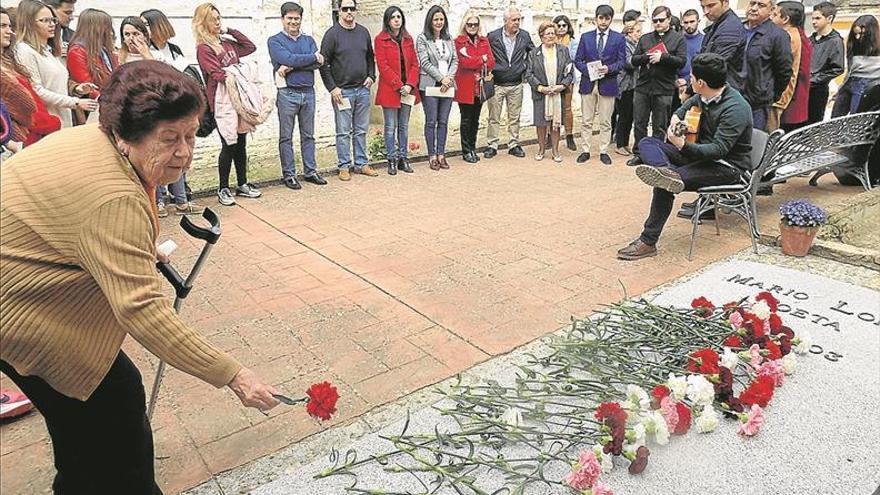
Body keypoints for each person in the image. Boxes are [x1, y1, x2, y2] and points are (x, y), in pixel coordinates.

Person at [0, 60, 280, 495]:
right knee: (110, 415)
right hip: (20, 311)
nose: (185, 152)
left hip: (31, 285)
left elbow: (78, 226)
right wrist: (234, 375)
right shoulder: (112, 196)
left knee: (92, 423)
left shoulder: (99, 142)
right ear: (127, 136)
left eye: (190, 135)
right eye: (169, 139)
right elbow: (143, 311)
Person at [618, 53, 752, 261]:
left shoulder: (735, 108)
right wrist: (676, 120)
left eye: (691, 77)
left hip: (725, 167)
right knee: (646, 143)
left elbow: (718, 150)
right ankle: (665, 170)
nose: (688, 80)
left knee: (665, 184)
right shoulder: (703, 95)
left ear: (701, 82)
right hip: (696, 154)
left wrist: (682, 144)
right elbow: (681, 110)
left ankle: (648, 241)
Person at [194, 2, 262, 206]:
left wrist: (229, 30)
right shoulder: (204, 49)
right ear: (203, 22)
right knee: (228, 144)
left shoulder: (227, 42)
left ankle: (242, 183)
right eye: (213, 19)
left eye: (218, 18)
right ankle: (223, 188)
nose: (217, 22)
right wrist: (238, 72)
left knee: (241, 143)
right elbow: (216, 73)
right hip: (222, 101)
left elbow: (250, 47)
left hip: (239, 99)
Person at [269, 2, 328, 187]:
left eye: (297, 19)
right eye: (290, 19)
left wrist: (292, 65)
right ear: (282, 19)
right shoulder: (274, 40)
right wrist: (310, 57)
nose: (293, 22)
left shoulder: (309, 39)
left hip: (308, 92)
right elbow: (287, 58)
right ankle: (289, 175)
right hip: (287, 93)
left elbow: (319, 63)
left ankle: (310, 171)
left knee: (308, 135)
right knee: (286, 137)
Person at [14, 0, 97, 128]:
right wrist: (76, 102)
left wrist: (77, 90)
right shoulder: (24, 50)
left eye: (53, 20)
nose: (52, 24)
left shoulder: (47, 51)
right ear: (30, 23)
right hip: (46, 122)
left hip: (62, 118)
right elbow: (37, 90)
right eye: (45, 21)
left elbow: (56, 85)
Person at [320, 0, 377, 181]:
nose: (349, 12)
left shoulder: (363, 32)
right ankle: (344, 166)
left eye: (352, 8)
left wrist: (371, 76)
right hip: (342, 92)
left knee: (360, 130)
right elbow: (324, 64)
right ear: (339, 11)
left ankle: (361, 164)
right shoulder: (332, 35)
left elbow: (370, 57)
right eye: (345, 9)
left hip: (362, 89)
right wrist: (332, 88)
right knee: (343, 132)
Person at [628, 6, 686, 164]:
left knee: (660, 125)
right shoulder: (645, 38)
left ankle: (656, 155)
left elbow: (682, 61)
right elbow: (634, 60)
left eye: (661, 20)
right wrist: (647, 57)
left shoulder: (678, 38)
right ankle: (639, 154)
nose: (658, 23)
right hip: (643, 87)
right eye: (655, 21)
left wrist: (664, 57)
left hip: (664, 88)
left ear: (669, 19)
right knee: (639, 122)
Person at [0, 7, 61, 150]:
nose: (9, 31)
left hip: (34, 137)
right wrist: (52, 122)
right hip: (20, 141)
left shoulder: (10, 62)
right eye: (2, 26)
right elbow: (26, 109)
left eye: (9, 26)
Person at [574, 4, 625, 165]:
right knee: (587, 120)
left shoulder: (618, 38)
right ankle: (585, 150)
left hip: (608, 83)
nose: (603, 21)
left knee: (605, 120)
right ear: (596, 18)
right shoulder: (586, 37)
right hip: (588, 83)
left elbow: (622, 62)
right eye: (601, 18)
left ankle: (603, 150)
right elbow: (578, 60)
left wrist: (608, 69)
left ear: (611, 19)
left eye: (607, 18)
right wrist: (589, 70)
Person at [373, 6, 419, 175]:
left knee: (404, 126)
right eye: (393, 17)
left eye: (399, 16)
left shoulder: (408, 38)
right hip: (390, 89)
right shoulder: (380, 39)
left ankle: (403, 158)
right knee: (390, 126)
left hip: (407, 90)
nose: (396, 20)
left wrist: (410, 85)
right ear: (387, 20)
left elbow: (415, 64)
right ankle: (391, 159)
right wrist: (399, 85)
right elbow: (382, 66)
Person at [485, 7, 534, 159]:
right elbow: (485, 53)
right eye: (514, 20)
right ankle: (492, 145)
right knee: (494, 117)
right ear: (505, 21)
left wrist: (525, 68)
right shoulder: (493, 36)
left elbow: (533, 54)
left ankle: (514, 144)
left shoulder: (524, 36)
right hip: (497, 84)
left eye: (519, 19)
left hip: (516, 84)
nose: (517, 22)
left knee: (514, 117)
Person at [737, 0, 792, 132]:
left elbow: (784, 71)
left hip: (757, 103)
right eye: (752, 3)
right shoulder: (736, 29)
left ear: (771, 10)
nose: (754, 8)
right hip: (731, 97)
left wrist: (770, 94)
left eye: (761, 5)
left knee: (752, 143)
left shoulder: (778, 36)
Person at [526, 21, 574, 162]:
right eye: (548, 33)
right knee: (541, 124)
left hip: (558, 93)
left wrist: (562, 86)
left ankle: (555, 150)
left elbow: (570, 72)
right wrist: (541, 88)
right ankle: (541, 149)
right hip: (541, 94)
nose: (551, 36)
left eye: (553, 33)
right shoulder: (534, 53)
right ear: (541, 36)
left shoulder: (563, 50)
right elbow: (529, 74)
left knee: (556, 124)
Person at [417, 5, 457, 171]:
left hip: (447, 85)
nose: (439, 22)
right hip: (430, 85)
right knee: (431, 121)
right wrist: (441, 78)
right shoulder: (422, 39)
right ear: (430, 21)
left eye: (441, 19)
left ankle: (441, 154)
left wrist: (448, 79)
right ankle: (432, 155)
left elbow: (455, 60)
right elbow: (424, 62)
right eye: (436, 19)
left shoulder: (449, 39)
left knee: (443, 121)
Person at [454, 12, 494, 164]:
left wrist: (476, 60)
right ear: (464, 25)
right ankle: (466, 151)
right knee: (466, 119)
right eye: (469, 24)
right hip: (465, 86)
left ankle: (472, 147)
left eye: (475, 24)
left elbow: (491, 62)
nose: (472, 27)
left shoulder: (484, 41)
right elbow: (463, 63)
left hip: (480, 86)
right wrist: (480, 59)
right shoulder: (459, 42)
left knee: (476, 119)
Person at [767, 2, 807, 132]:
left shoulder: (788, 36)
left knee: (769, 130)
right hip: (778, 92)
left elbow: (783, 69)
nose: (771, 17)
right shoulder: (790, 34)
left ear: (785, 19)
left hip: (777, 94)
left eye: (774, 14)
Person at [66, 8, 117, 107]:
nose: (109, 31)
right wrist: (109, 105)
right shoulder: (77, 51)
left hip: (110, 102)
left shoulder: (104, 49)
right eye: (106, 26)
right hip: (94, 107)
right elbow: (87, 86)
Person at [831, 15, 880, 117]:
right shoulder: (853, 45)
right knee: (835, 118)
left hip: (867, 85)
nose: (858, 37)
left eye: (861, 34)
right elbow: (850, 71)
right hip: (850, 82)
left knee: (856, 118)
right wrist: (841, 88)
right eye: (855, 34)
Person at [806, 2, 845, 125]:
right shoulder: (811, 39)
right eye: (813, 18)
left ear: (829, 19)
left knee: (813, 123)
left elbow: (838, 68)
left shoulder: (835, 41)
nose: (813, 22)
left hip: (818, 90)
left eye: (818, 18)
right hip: (803, 87)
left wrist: (814, 80)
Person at [777, 2, 812, 133]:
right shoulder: (798, 34)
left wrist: (780, 99)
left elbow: (793, 71)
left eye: (775, 14)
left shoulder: (791, 37)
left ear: (786, 19)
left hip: (791, 95)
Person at [698, 0, 744, 90]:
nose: (705, 11)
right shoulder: (719, 24)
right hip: (716, 89)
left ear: (725, 2)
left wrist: (690, 90)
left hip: (722, 90)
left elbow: (714, 65)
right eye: (703, 7)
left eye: (711, 5)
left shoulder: (730, 27)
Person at [614, 22, 641, 156]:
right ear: (629, 33)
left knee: (630, 115)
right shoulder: (624, 45)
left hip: (633, 85)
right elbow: (629, 63)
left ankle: (625, 143)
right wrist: (643, 59)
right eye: (636, 31)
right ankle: (619, 144)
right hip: (623, 85)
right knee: (624, 116)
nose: (638, 34)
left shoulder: (635, 45)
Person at [554, 14, 578, 151]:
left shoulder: (573, 42)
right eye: (559, 25)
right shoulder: (550, 40)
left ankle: (569, 135)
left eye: (564, 25)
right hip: (552, 78)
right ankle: (551, 136)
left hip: (568, 79)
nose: (562, 28)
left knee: (567, 108)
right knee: (552, 107)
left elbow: (574, 58)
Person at [679, 9, 704, 84]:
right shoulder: (677, 40)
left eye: (692, 22)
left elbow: (704, 66)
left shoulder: (705, 41)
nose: (689, 25)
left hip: (696, 83)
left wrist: (687, 80)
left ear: (698, 21)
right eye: (686, 22)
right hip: (675, 83)